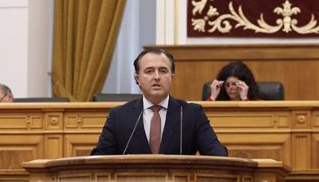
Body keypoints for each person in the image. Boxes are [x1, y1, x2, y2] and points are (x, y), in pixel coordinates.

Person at [91, 48, 228, 156]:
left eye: (163, 71)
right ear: (137, 79)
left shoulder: (191, 114)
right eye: (149, 71)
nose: (156, 77)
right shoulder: (119, 116)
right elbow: (99, 159)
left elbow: (217, 155)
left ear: (171, 77)